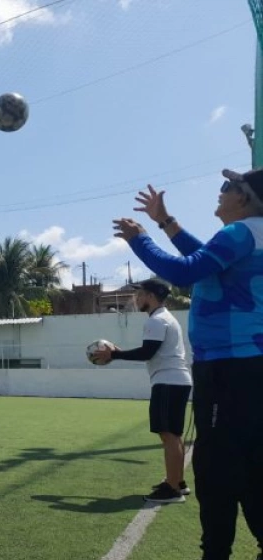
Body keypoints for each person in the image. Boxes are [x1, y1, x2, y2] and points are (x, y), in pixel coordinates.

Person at [113, 169, 263, 560]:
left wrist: (139, 239)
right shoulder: (252, 235)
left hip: (229, 370)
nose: (221, 191)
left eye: (228, 187)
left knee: (216, 472)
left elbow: (186, 270)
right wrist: (166, 221)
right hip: (249, 368)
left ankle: (215, 554)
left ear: (244, 199)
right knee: (251, 463)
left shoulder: (241, 233)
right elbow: (206, 261)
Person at [92, 278, 192, 503]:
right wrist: (119, 352)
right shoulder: (164, 319)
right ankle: (178, 481)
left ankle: (172, 489)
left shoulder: (156, 321)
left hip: (168, 382)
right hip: (175, 381)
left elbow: (147, 353)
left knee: (168, 434)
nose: (136, 299)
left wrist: (114, 355)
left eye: (140, 294)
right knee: (172, 434)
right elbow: (149, 351)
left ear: (150, 296)